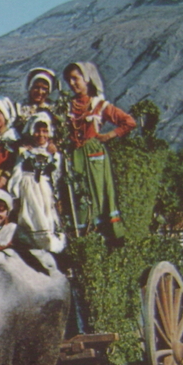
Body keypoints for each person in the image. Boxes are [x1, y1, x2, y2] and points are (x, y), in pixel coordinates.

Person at [62, 61, 136, 242]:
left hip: (94, 157)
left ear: (87, 80)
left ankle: (103, 235)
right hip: (74, 156)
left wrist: (109, 135)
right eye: (69, 80)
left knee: (97, 193)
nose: (72, 84)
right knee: (77, 194)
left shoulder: (99, 105)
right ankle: (81, 236)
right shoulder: (66, 106)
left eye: (75, 79)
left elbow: (129, 122)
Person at [8, 112, 66, 253]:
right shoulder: (25, 151)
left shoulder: (53, 153)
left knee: (47, 219)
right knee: (32, 218)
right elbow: (17, 173)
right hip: (28, 190)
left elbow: (57, 175)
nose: (41, 135)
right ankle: (33, 249)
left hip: (45, 191)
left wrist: (58, 196)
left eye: (44, 131)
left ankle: (50, 250)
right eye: (37, 131)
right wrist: (15, 195)